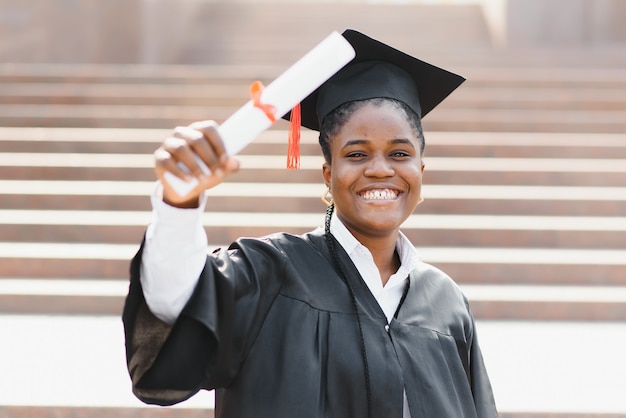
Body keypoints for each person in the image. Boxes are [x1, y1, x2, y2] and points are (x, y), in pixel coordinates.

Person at [123, 29, 499, 418]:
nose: (380, 169)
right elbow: (175, 302)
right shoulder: (268, 272)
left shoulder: (447, 303)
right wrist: (179, 204)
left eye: (399, 153)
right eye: (356, 154)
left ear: (420, 171)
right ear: (328, 174)